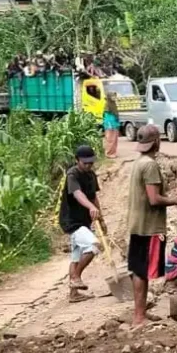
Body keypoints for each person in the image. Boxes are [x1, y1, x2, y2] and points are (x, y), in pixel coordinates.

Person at [127, 124, 177, 327]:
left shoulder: (139, 163)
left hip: (138, 224)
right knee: (142, 271)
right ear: (156, 142)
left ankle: (141, 313)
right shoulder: (150, 166)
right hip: (149, 227)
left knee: (140, 270)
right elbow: (154, 199)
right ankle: (138, 317)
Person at [59, 145, 106, 303]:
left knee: (76, 256)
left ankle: (74, 294)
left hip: (84, 221)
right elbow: (78, 194)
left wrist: (101, 218)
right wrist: (90, 207)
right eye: (84, 163)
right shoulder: (72, 174)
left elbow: (93, 197)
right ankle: (76, 277)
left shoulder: (91, 175)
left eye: (90, 163)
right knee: (93, 246)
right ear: (77, 160)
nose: (87, 165)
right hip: (72, 220)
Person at [103, 92, 121, 158]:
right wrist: (109, 124)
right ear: (109, 97)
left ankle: (113, 152)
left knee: (114, 139)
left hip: (115, 124)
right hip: (110, 124)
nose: (114, 97)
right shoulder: (107, 104)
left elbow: (115, 114)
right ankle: (109, 153)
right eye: (113, 96)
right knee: (110, 139)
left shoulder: (113, 104)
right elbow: (107, 116)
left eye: (114, 96)